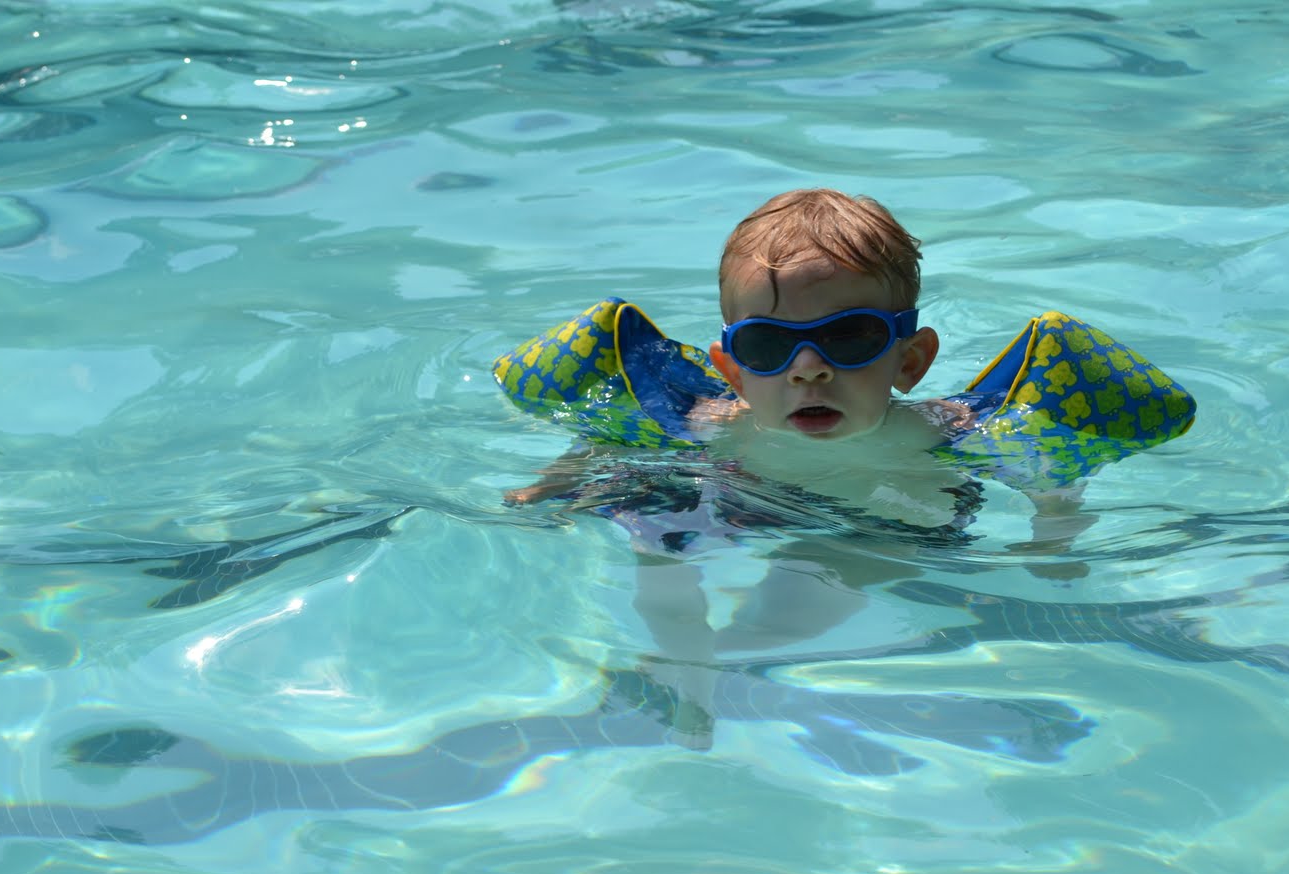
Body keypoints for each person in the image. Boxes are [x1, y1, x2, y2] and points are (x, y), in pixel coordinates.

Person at [499, 189, 1195, 745]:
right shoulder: (714, 422)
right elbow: (616, 435)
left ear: (910, 361)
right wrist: (557, 480)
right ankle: (683, 661)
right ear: (732, 370)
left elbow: (1050, 465)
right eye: (769, 345)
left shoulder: (940, 433)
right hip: (744, 494)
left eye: (850, 337)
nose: (809, 368)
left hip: (877, 523)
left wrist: (1054, 535)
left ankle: (717, 667)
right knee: (654, 532)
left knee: (813, 593)